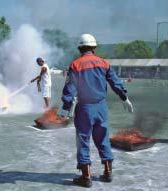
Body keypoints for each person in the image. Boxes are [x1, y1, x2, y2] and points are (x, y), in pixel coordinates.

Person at [59, 34, 133, 188]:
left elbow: (70, 89)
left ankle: (86, 177)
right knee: (103, 139)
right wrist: (123, 97)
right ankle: (107, 173)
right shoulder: (104, 63)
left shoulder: (75, 65)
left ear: (80, 48)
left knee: (83, 140)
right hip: (101, 107)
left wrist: (66, 107)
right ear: (94, 47)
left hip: (85, 108)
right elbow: (115, 82)